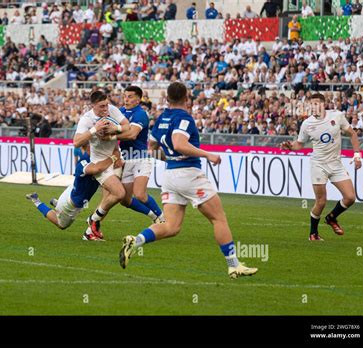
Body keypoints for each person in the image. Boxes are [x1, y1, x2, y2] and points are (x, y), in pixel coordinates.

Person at [119, 82, 258, 279]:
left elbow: (152, 146)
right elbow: (179, 143)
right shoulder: (184, 118)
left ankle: (136, 241)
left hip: (169, 176)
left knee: (171, 227)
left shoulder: (162, 117)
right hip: (189, 175)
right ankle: (234, 265)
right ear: (187, 98)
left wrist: (171, 158)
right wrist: (207, 155)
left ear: (167, 98)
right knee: (218, 218)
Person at [280, 93, 362, 241]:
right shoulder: (307, 124)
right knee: (321, 201)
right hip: (318, 165)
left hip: (336, 164)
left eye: (317, 103)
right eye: (312, 104)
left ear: (324, 104)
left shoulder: (337, 116)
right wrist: (290, 147)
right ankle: (313, 234)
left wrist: (357, 155)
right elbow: (299, 144)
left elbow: (353, 134)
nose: (314, 106)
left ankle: (331, 218)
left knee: (350, 197)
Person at [26, 145, 122, 238]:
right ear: (87, 147)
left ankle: (57, 204)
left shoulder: (98, 159)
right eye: (92, 144)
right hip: (70, 204)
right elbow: (97, 169)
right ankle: (36, 200)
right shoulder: (83, 162)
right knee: (61, 225)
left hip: (73, 193)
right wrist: (114, 158)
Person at [73, 91, 130, 240]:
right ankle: (93, 219)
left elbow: (127, 127)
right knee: (119, 193)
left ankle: (90, 231)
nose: (105, 108)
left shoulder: (112, 110)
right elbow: (76, 142)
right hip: (101, 163)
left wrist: (115, 129)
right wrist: (94, 130)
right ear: (93, 106)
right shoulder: (87, 119)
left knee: (108, 200)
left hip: (116, 158)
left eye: (106, 104)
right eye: (101, 106)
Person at [116, 86, 165, 223]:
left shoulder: (141, 114)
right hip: (126, 158)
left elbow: (132, 134)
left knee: (140, 194)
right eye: (125, 96)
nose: (126, 99)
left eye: (130, 96)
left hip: (140, 158)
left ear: (138, 99)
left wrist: (110, 136)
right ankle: (153, 216)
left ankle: (162, 217)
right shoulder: (120, 112)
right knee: (125, 200)